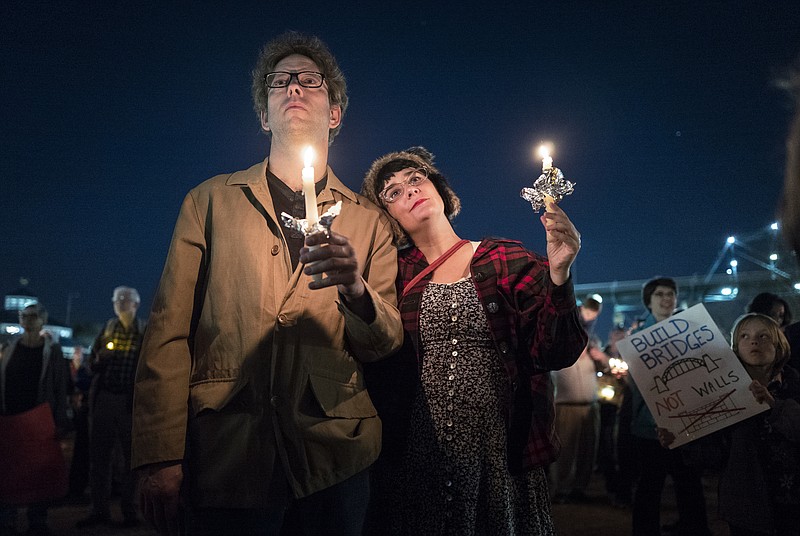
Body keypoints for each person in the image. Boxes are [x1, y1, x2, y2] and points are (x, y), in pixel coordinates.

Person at [132, 32, 403, 536]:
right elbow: (168, 334)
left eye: (310, 80)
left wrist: (356, 291)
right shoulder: (208, 202)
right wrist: (158, 455)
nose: (294, 88)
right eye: (279, 82)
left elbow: (386, 340)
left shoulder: (369, 222)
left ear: (335, 113)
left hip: (334, 455)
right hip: (228, 455)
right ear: (264, 115)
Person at [360, 146, 587, 534]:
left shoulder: (504, 256)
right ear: (388, 217)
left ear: (440, 190)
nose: (409, 190)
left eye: (416, 179)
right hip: (420, 452)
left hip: (500, 449)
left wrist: (561, 275)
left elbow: (556, 351)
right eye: (392, 192)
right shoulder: (389, 275)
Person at [658, 313, 800, 535]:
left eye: (763, 336)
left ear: (779, 346)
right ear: (734, 348)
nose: (754, 341)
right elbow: (713, 455)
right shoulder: (722, 392)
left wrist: (774, 406)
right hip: (746, 506)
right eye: (744, 336)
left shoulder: (795, 384)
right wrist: (681, 438)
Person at [627, 277, 711, 536]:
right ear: (649, 301)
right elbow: (636, 387)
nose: (667, 298)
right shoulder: (638, 340)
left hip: (687, 423)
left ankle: (695, 528)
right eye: (660, 294)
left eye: (671, 294)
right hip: (650, 427)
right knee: (650, 485)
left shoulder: (691, 333)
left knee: (688, 483)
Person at [76, 286, 145, 529]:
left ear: (136, 304)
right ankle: (99, 510)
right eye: (117, 300)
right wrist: (99, 360)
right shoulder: (107, 329)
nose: (121, 303)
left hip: (129, 402)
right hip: (105, 398)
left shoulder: (144, 332)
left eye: (125, 300)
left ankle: (130, 510)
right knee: (100, 457)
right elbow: (88, 367)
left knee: (131, 459)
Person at [0, 303, 70, 536]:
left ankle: (37, 519)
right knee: (9, 470)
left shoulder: (53, 351)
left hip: (40, 419)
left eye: (32, 316)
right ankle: (7, 519)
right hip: (12, 418)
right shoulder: (10, 348)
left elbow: (61, 387)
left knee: (39, 472)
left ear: (42, 320)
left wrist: (60, 420)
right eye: (23, 316)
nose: (27, 320)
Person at [549, 294, 608, 504]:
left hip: (590, 406)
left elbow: (606, 366)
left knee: (587, 450)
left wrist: (601, 358)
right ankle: (561, 489)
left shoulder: (593, 345)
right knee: (565, 451)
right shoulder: (557, 344)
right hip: (566, 405)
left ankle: (579, 488)